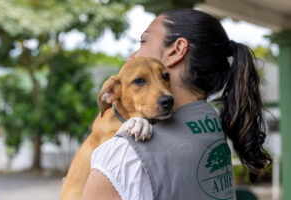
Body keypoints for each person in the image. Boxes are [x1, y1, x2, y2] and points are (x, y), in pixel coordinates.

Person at [80, 9, 271, 200]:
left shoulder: (124, 154)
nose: (132, 56)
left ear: (176, 50)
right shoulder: (213, 124)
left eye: (143, 41)